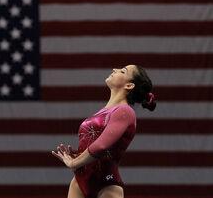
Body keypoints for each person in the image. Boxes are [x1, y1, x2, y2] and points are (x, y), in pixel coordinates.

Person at [52, 64, 156, 198]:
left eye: (122, 71)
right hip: (79, 180)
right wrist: (79, 156)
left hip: (106, 184)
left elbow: (102, 145)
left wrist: (74, 163)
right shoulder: (101, 112)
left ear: (129, 86)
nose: (115, 69)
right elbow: (90, 142)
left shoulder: (125, 111)